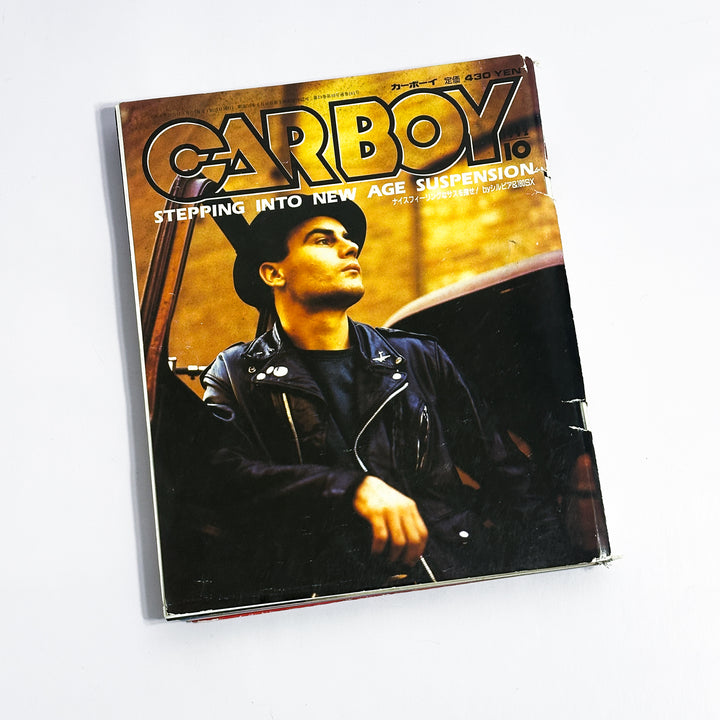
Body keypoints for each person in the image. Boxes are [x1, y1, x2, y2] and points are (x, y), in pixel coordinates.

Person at [200, 196, 563, 604]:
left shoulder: (419, 358)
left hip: (451, 584)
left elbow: (511, 478)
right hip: (327, 604)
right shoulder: (236, 373)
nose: (350, 246)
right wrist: (351, 490)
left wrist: (551, 580)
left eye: (347, 238)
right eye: (323, 240)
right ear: (273, 272)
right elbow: (220, 478)